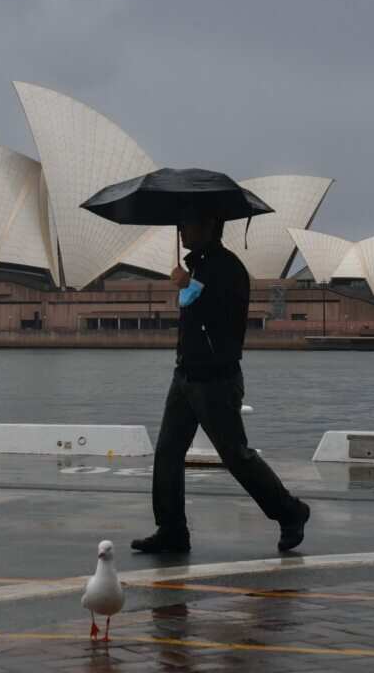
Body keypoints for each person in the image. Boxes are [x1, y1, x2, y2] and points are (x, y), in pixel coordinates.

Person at [131, 217, 311, 554]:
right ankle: (171, 529)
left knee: (235, 455)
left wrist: (190, 286)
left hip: (216, 377)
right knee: (168, 452)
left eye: (189, 223)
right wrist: (189, 284)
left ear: (209, 227)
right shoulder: (198, 266)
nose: (183, 229)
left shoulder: (227, 268)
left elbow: (223, 315)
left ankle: (290, 512)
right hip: (185, 374)